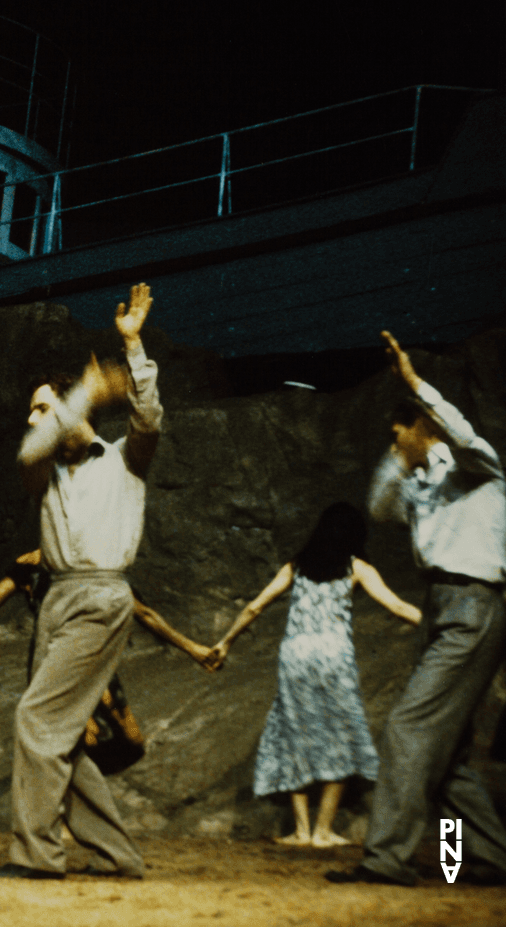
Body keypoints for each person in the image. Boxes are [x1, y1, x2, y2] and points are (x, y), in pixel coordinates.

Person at [0, 283, 159, 882]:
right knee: (57, 733)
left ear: (77, 411)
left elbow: (149, 417)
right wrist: (77, 393)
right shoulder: (44, 470)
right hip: (57, 600)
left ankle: (37, 857)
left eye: (43, 407)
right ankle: (117, 855)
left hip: (99, 597)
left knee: (36, 722)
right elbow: (31, 449)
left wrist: (132, 349)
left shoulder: (125, 461)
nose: (34, 420)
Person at [326, 332, 506, 887]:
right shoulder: (420, 484)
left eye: (398, 431)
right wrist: (401, 460)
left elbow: (462, 431)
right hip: (442, 606)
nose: (392, 439)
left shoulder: (477, 468)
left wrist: (417, 388)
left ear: (425, 426)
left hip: (475, 603)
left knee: (408, 730)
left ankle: (386, 859)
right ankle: (478, 861)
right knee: (444, 752)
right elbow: (379, 506)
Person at [206, 502, 420, 847]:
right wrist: (443, 628)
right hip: (334, 656)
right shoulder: (357, 568)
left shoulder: (297, 567)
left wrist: (225, 642)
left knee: (296, 733)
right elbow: (395, 605)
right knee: (341, 733)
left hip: (296, 656)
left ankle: (301, 830)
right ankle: (323, 831)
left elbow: (255, 605)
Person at [0, 549, 216, 673]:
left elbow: (143, 613)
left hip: (83, 659)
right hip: (50, 658)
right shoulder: (28, 566)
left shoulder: (94, 568)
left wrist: (193, 649)